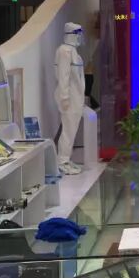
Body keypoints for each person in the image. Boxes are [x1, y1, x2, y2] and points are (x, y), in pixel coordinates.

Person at [54, 22, 86, 175]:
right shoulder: (64, 51)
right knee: (68, 130)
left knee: (71, 130)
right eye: (78, 34)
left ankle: (66, 158)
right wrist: (64, 97)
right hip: (69, 98)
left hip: (76, 97)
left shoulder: (73, 52)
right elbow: (63, 76)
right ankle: (62, 161)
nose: (80, 38)